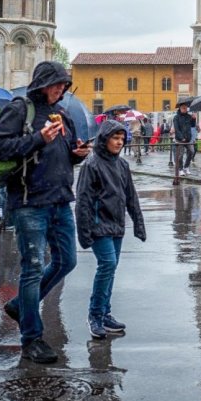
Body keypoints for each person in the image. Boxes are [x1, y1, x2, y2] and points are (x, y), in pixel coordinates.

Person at [0, 61, 91, 364]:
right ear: (41, 83)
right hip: (29, 202)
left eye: (64, 84)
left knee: (66, 261)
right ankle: (31, 338)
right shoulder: (21, 109)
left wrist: (76, 154)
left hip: (60, 200)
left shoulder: (64, 115)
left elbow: (62, 154)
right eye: (56, 83)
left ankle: (21, 306)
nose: (61, 88)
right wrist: (38, 138)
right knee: (32, 268)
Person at [75, 119, 146, 339]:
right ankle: (94, 315)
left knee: (111, 268)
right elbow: (83, 201)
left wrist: (138, 224)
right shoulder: (91, 164)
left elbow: (130, 195)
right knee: (107, 264)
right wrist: (84, 232)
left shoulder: (122, 165)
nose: (119, 142)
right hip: (98, 225)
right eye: (115, 138)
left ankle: (105, 313)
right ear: (105, 139)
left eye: (122, 139)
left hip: (116, 224)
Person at [172, 102, 195, 183]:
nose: (185, 109)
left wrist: (193, 119)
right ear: (180, 108)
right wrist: (181, 137)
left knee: (191, 151)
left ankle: (186, 166)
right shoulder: (176, 117)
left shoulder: (189, 116)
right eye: (183, 108)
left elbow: (192, 126)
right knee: (180, 155)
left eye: (186, 108)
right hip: (180, 139)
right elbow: (176, 129)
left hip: (188, 139)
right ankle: (180, 169)